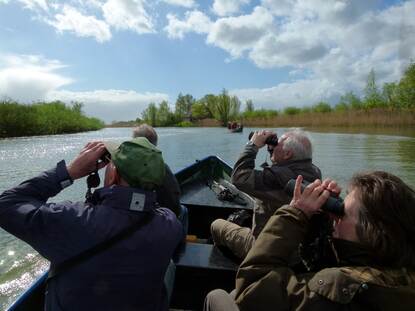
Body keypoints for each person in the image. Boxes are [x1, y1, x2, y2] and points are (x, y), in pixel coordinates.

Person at [0, 138, 184, 311]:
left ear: (112, 174)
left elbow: (6, 204)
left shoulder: (71, 220)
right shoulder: (170, 224)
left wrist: (70, 172)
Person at [204, 171, 415, 311]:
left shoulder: (343, 285)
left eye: (343, 213)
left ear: (374, 232)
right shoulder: (396, 272)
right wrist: (320, 222)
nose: (336, 217)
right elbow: (319, 271)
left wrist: (294, 214)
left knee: (218, 296)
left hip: (258, 272)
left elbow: (250, 289)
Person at [211, 129, 321, 259]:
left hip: (265, 249)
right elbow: (282, 167)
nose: (274, 145)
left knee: (216, 225)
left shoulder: (276, 177)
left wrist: (252, 145)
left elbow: (239, 178)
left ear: (287, 154)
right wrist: (272, 149)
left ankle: (230, 264)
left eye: (277, 144)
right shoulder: (314, 172)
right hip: (297, 249)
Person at [133, 124, 181, 217]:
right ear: (155, 144)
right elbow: (175, 194)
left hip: (138, 215)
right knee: (184, 211)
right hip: (162, 216)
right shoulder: (162, 167)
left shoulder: (127, 167)